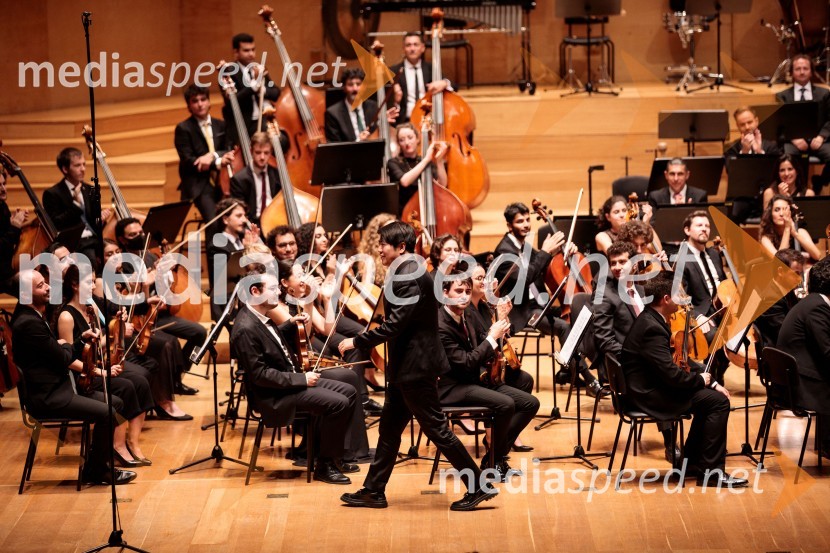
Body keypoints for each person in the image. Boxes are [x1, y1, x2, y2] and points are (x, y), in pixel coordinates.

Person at [338, 221, 497, 511]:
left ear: (401, 247)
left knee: (437, 428)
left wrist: (358, 340)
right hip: (408, 367)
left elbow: (395, 324)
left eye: (384, 244)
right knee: (389, 429)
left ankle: (477, 486)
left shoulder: (408, 275)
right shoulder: (409, 271)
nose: (379, 249)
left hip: (415, 366)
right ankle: (373, 490)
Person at [620, 272, 747, 488]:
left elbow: (679, 361)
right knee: (717, 402)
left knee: (710, 399)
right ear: (666, 299)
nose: (683, 299)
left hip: (651, 387)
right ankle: (711, 474)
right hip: (649, 395)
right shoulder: (651, 328)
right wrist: (702, 380)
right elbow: (672, 375)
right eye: (679, 295)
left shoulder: (654, 319)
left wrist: (711, 381)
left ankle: (693, 465)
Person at [230, 269, 356, 484]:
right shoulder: (245, 328)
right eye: (272, 289)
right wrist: (302, 379)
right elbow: (260, 375)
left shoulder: (258, 316)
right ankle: (324, 466)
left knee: (349, 391)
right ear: (255, 291)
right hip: (274, 397)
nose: (278, 292)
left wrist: (291, 323)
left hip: (287, 384)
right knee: (338, 403)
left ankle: (330, 456)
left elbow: (270, 340)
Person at [11, 269, 136, 486]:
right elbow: (62, 357)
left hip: (58, 388)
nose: (48, 287)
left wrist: (77, 341)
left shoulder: (34, 315)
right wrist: (68, 345)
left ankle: (97, 465)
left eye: (45, 283)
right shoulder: (28, 323)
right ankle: (97, 472)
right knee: (108, 412)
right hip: (49, 397)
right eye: (40, 286)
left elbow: (61, 352)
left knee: (116, 401)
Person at [436, 272, 540, 481]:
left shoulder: (468, 315)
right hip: (453, 387)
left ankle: (494, 458)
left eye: (467, 291)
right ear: (445, 293)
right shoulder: (441, 325)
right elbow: (466, 362)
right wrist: (492, 338)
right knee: (506, 404)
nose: (464, 296)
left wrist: (497, 330)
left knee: (530, 403)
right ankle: (494, 461)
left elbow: (483, 345)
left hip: (473, 379)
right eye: (459, 291)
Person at [56, 264, 153, 467]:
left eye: (93, 281)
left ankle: (133, 443)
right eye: (87, 282)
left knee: (141, 382)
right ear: (74, 285)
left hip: (97, 367)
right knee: (125, 387)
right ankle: (117, 447)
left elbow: (98, 343)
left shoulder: (90, 309)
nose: (93, 286)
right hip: (82, 377)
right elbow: (68, 358)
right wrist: (102, 371)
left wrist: (116, 327)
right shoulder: (67, 316)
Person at [115, 218, 207, 394]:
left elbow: (165, 290)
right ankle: (171, 384)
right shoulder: (122, 264)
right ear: (122, 239)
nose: (138, 236)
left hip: (161, 313)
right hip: (142, 318)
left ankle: (178, 376)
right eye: (132, 235)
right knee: (171, 343)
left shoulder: (150, 256)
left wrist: (166, 275)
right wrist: (146, 283)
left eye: (140, 233)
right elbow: (130, 298)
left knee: (200, 333)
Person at [776, 256, 830, 458]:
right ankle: (827, 444)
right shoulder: (817, 307)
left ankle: (826, 442)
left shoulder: (813, 302)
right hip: (801, 385)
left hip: (797, 376)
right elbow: (827, 352)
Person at [174, 84, 235, 227]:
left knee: (233, 217)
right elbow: (189, 161)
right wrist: (217, 162)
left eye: (203, 99)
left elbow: (228, 148)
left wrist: (212, 155)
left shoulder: (221, 124)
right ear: (189, 105)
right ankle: (215, 250)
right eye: (195, 101)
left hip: (223, 179)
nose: (200, 104)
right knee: (214, 221)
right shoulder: (183, 128)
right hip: (200, 183)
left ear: (209, 102)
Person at [42, 147, 112, 268]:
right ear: (65, 169)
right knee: (91, 256)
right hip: (72, 243)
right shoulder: (52, 193)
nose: (83, 169)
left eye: (84, 164)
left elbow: (94, 224)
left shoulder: (90, 189)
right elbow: (56, 223)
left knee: (114, 251)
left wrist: (101, 219)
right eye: (77, 165)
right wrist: (75, 204)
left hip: (94, 239)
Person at [775, 54, 830, 188]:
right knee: (786, 158)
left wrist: (822, 136)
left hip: (819, 140)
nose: (801, 72)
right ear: (792, 73)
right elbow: (780, 122)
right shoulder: (782, 96)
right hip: (794, 141)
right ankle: (796, 192)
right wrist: (793, 138)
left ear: (811, 71)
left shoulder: (824, 93)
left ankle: (821, 181)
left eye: (805, 68)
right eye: (798, 69)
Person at [219, 33, 281, 148]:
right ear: (236, 53)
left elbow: (276, 93)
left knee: (282, 141)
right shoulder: (228, 72)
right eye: (246, 50)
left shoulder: (259, 68)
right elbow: (233, 100)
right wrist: (254, 84)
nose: (251, 54)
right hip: (243, 125)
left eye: (253, 49)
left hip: (264, 120)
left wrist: (261, 89)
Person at [206, 198, 260, 321]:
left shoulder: (243, 241)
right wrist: (249, 250)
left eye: (245, 216)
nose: (244, 220)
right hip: (228, 302)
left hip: (246, 297)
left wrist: (254, 248)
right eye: (239, 216)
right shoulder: (217, 245)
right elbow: (227, 280)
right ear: (225, 219)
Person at [390, 32, 451, 125]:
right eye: (408, 45)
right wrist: (395, 100)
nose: (412, 49)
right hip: (404, 122)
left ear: (422, 48)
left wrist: (445, 83)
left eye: (416, 45)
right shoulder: (393, 71)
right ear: (403, 48)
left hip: (429, 120)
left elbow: (454, 86)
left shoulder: (432, 68)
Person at [386, 123, 448, 214]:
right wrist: (426, 159)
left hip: (427, 210)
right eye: (402, 140)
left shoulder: (425, 161)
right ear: (399, 143)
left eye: (410, 137)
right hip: (405, 212)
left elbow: (442, 184)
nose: (407, 143)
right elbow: (405, 181)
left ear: (417, 139)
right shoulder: (393, 162)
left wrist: (439, 162)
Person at [325, 68, 398, 143]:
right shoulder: (333, 114)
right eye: (350, 85)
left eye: (358, 84)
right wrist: (358, 141)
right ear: (344, 88)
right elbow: (335, 147)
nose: (355, 89)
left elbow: (377, 136)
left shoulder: (374, 107)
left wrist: (382, 122)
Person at [229, 132, 282, 226]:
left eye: (266, 153)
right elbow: (240, 211)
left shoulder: (277, 174)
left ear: (271, 153)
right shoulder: (239, 179)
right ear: (251, 151)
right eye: (258, 152)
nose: (262, 157)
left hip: (275, 220)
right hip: (253, 223)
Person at [755, 249, 804, 347]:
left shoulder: (786, 288)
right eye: (796, 273)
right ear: (781, 271)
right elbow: (787, 335)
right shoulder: (770, 299)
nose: (800, 279)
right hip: (780, 353)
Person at [759, 194, 821, 261]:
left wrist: (795, 234)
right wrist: (787, 229)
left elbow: (817, 256)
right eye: (777, 210)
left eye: (785, 209)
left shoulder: (800, 232)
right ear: (770, 214)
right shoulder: (766, 238)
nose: (781, 214)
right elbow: (780, 261)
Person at [0, 166, 27, 293]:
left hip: (6, 267)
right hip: (2, 274)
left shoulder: (2, 205)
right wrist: (14, 226)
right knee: (30, 287)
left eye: (4, 184)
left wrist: (13, 223)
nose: (3, 189)